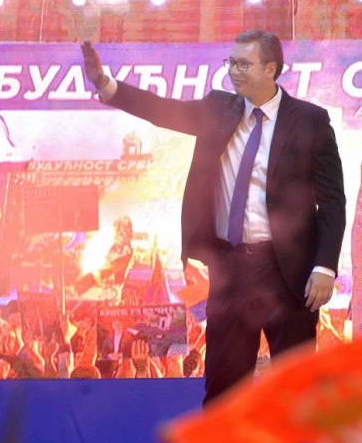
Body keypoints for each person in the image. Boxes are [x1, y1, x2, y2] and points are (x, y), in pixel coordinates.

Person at [81, 30, 346, 405]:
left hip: (289, 272)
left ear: (271, 69)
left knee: (297, 391)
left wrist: (325, 266)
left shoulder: (310, 121)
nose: (234, 71)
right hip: (230, 268)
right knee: (224, 390)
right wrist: (106, 84)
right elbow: (163, 110)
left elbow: (332, 200)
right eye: (231, 63)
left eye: (244, 64)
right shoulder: (218, 109)